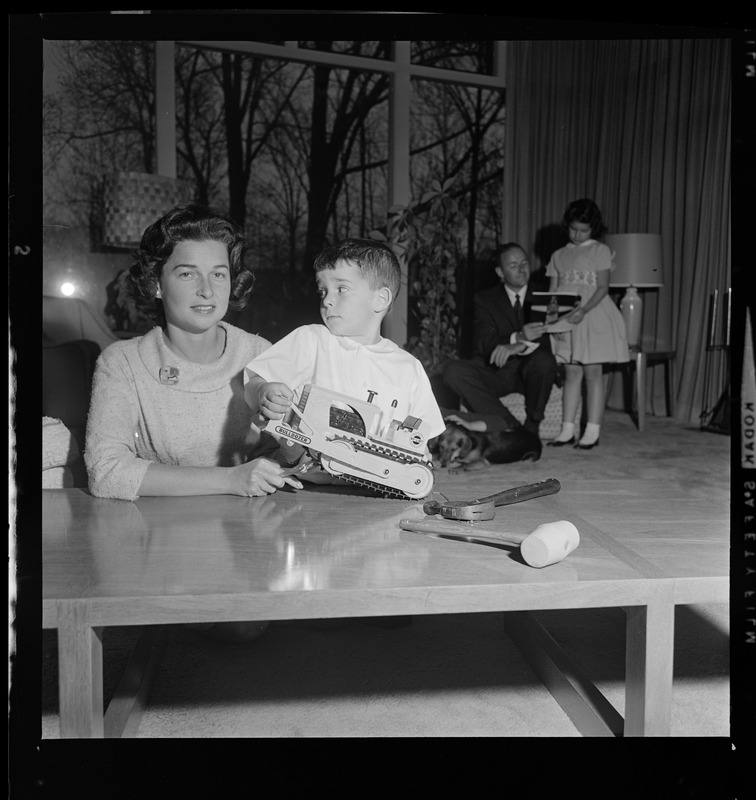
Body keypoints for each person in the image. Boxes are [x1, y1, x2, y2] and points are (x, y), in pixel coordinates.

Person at [85, 202, 303, 640]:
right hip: (162, 535)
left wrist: (292, 439)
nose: (207, 289)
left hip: (254, 533)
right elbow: (106, 472)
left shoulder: (262, 353)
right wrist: (230, 479)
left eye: (218, 273)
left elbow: (296, 454)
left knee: (254, 626)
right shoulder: (123, 362)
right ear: (157, 284)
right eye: (187, 273)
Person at [243, 238, 446, 475]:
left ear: (380, 299)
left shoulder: (409, 367)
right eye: (323, 290)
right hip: (311, 484)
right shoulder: (312, 340)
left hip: (381, 488)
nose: (327, 300)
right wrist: (263, 392)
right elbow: (254, 380)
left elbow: (422, 436)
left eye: (342, 289)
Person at [440, 242, 559, 438]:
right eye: (513, 266)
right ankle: (511, 425)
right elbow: (484, 342)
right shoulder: (485, 299)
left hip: (531, 373)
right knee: (453, 370)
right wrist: (518, 337)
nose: (521, 269)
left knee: (543, 360)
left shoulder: (545, 296)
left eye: (524, 263)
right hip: (496, 370)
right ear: (500, 272)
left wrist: (518, 344)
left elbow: (548, 342)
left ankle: (533, 425)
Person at [545, 198, 629, 449]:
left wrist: (585, 310)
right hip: (567, 318)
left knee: (593, 373)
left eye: (583, 230)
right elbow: (553, 294)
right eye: (573, 229)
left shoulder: (600, 250)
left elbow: (603, 287)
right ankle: (567, 430)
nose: (578, 235)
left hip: (592, 315)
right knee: (571, 373)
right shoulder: (559, 255)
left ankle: (592, 430)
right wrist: (553, 324)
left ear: (594, 228)